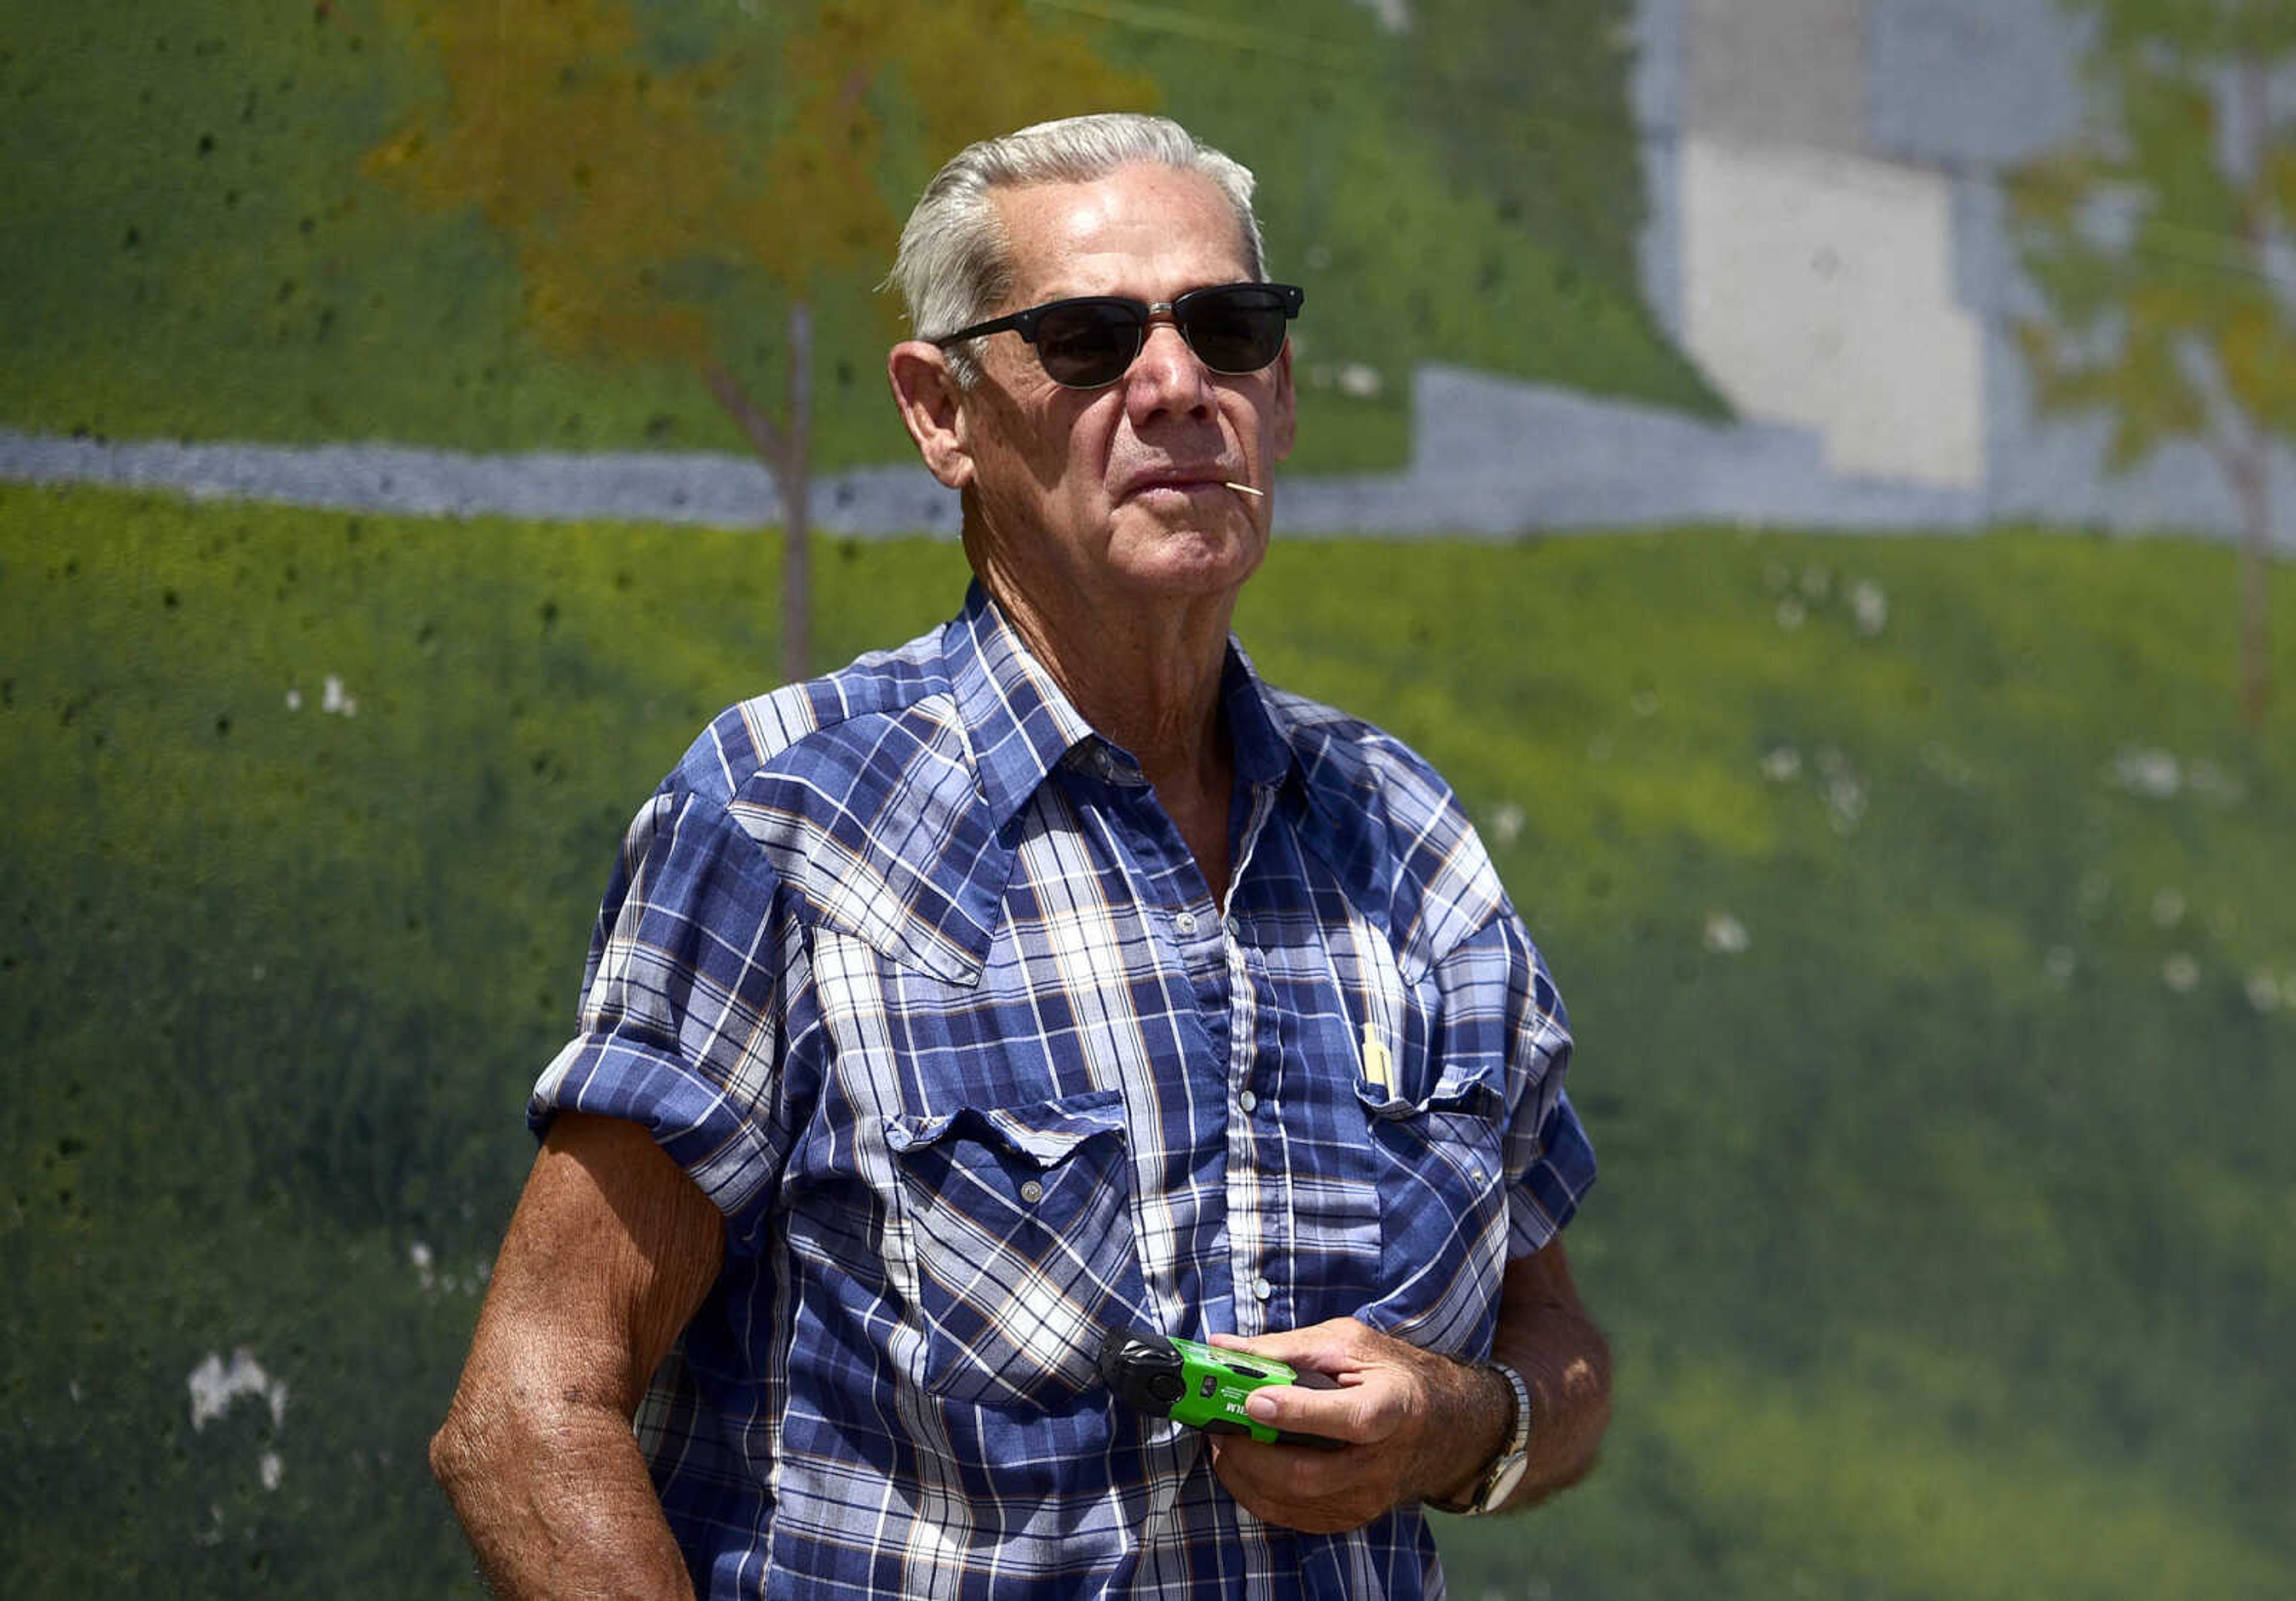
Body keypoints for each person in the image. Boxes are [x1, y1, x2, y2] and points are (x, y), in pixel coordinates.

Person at [430, 111, 1610, 1598]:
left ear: (1284, 390)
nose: (1177, 385)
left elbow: (1554, 1340)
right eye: (1088, 339)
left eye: (1229, 328)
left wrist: (1461, 1421)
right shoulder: (790, 818)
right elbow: (528, 1415)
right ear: (941, 413)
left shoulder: (1404, 835)